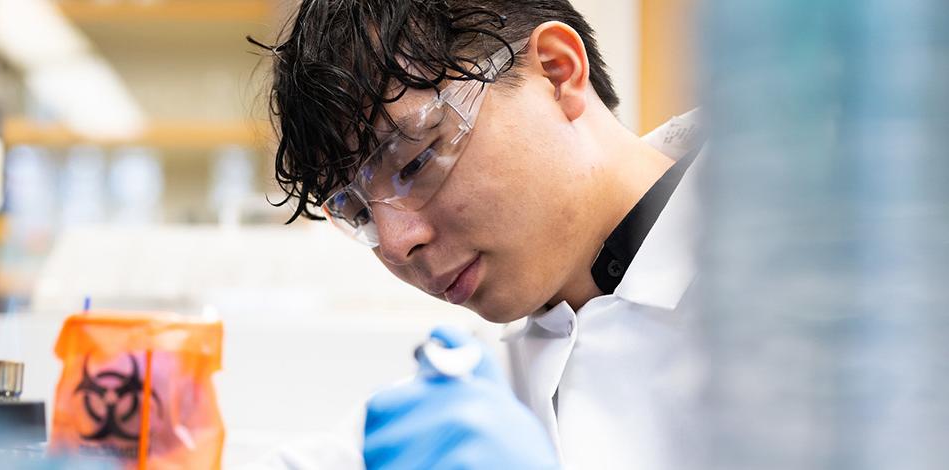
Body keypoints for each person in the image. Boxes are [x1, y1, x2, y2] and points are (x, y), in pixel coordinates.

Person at [249, 0, 708, 468]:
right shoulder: (475, 394)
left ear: (556, 72)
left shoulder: (771, 291)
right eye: (357, 212)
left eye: (416, 162)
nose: (394, 243)